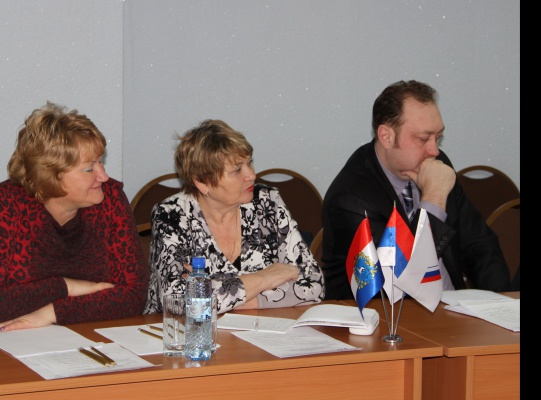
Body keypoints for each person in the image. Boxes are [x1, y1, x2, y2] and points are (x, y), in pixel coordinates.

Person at [0, 101, 149, 331]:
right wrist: (65, 287)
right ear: (50, 175)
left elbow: (134, 296)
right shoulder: (3, 203)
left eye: (100, 162)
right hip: (14, 345)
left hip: (90, 340)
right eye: (89, 168)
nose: (103, 176)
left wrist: (52, 313)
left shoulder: (110, 198)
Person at [321, 80, 512, 300]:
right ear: (386, 136)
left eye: (438, 138)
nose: (434, 150)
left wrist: (500, 304)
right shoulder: (350, 198)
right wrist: (434, 198)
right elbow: (401, 281)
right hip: (389, 314)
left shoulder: (437, 165)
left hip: (451, 307)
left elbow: (480, 246)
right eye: (423, 139)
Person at [143, 119, 325, 314]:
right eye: (237, 170)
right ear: (202, 182)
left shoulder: (267, 202)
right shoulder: (171, 215)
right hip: (184, 332)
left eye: (249, 163)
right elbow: (177, 301)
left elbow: (315, 283)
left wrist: (228, 297)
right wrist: (265, 278)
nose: (251, 175)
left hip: (258, 328)